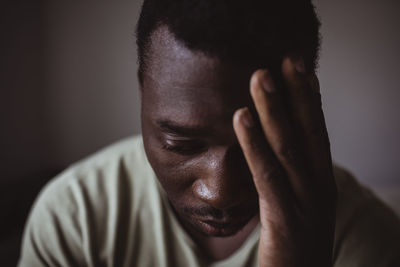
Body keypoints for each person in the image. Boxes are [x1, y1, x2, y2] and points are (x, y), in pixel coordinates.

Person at [18, 0, 400, 266]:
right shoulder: (74, 218)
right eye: (182, 145)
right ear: (143, 90)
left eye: (258, 147)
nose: (219, 194)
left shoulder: (363, 237)